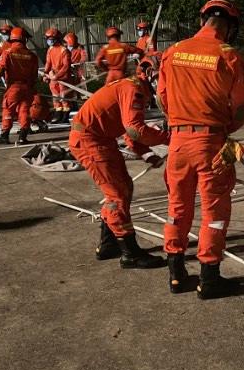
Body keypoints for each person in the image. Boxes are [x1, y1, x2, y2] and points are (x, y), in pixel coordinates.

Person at [158, 0, 244, 299]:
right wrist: (225, 130)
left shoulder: (173, 52)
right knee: (214, 210)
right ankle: (209, 279)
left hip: (177, 143)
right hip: (210, 141)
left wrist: (178, 120)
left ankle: (175, 273)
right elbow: (241, 110)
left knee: (177, 207)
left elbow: (161, 99)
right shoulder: (229, 55)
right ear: (230, 27)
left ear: (202, 21)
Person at [69, 55, 169, 269]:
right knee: (117, 194)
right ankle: (130, 253)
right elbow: (135, 129)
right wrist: (169, 138)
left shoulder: (133, 87)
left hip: (99, 139)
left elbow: (128, 130)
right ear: (150, 73)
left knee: (124, 187)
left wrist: (146, 153)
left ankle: (109, 244)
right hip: (90, 141)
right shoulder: (133, 90)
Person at [0, 27, 38, 145]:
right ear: (24, 39)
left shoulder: (7, 53)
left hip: (13, 87)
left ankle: (4, 136)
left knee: (8, 110)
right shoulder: (32, 55)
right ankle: (22, 137)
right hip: (28, 88)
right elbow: (35, 75)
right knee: (24, 111)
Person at [43, 28, 71, 124]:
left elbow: (66, 66)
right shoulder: (50, 49)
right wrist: (45, 74)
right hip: (53, 77)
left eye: (50, 38)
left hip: (63, 78)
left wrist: (57, 76)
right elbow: (48, 62)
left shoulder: (64, 50)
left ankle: (65, 115)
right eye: (47, 38)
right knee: (55, 96)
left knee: (63, 96)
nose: (49, 41)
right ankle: (58, 113)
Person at [64, 32, 89, 113]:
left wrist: (80, 63)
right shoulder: (64, 48)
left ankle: (85, 105)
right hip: (68, 71)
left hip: (79, 71)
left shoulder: (79, 47)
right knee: (71, 89)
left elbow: (84, 56)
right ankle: (73, 105)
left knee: (82, 88)